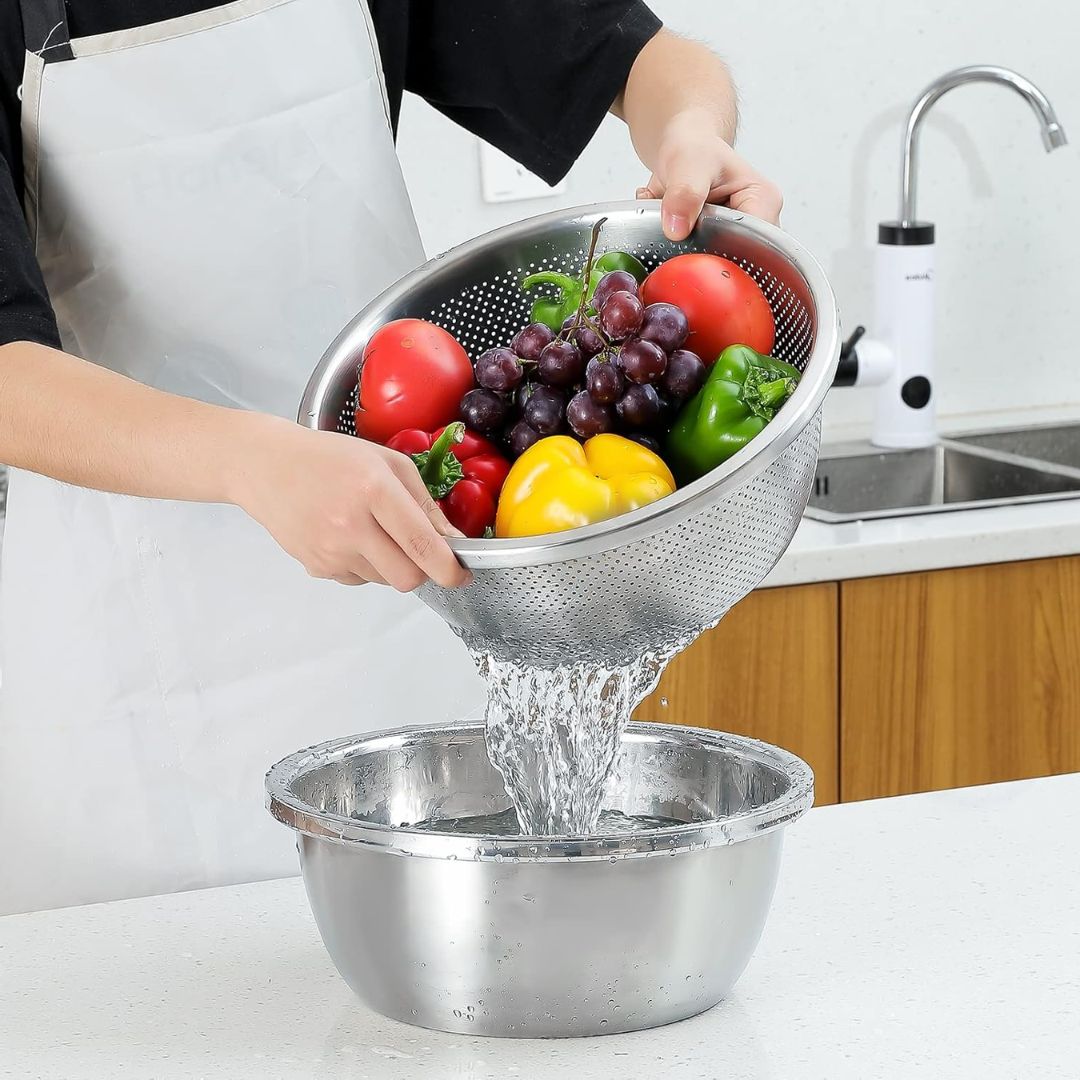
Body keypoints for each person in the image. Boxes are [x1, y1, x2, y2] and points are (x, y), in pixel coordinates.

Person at [0, 0, 782, 916]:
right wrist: (256, 458)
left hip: (397, 604)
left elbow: (644, 58)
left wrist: (693, 132)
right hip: (126, 670)